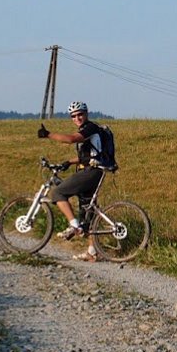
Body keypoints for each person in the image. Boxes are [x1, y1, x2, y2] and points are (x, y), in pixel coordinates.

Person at [37, 101, 106, 262]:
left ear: (86, 113)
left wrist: (48, 134)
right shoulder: (87, 130)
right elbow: (89, 155)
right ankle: (92, 252)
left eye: (80, 114)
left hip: (91, 172)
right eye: (73, 116)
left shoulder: (90, 128)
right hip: (92, 170)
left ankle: (73, 225)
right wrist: (69, 162)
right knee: (88, 211)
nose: (77, 118)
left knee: (58, 192)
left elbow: (70, 139)